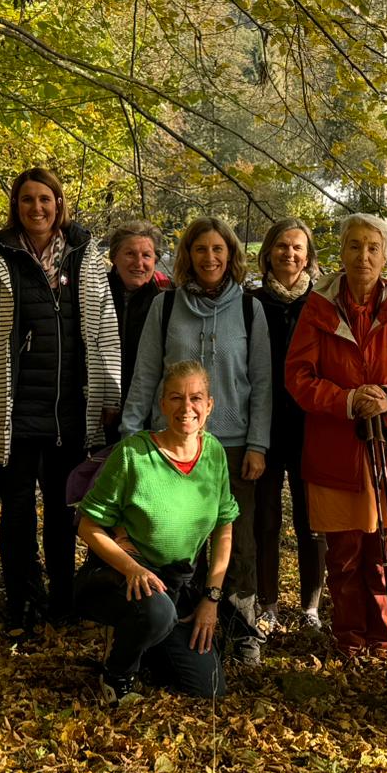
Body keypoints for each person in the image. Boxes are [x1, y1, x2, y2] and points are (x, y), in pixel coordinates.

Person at [0, 167, 121, 631]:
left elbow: (105, 330)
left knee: (62, 511)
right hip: (13, 410)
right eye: (27, 199)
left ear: (58, 204)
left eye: (45, 199)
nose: (37, 208)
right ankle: (22, 602)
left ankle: (62, 600)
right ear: (16, 206)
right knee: (16, 513)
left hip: (71, 412)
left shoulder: (84, 255)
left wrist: (110, 394)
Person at [286, 213, 387, 657]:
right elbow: (298, 377)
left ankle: (385, 638)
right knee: (344, 556)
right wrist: (348, 400)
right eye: (354, 246)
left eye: (373, 248)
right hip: (335, 453)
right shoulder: (318, 309)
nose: (363, 256)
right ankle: (349, 639)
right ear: (341, 252)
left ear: (385, 255)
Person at [121, 217, 271, 662]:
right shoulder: (166, 306)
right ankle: (175, 626)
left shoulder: (250, 309)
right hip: (172, 441)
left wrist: (258, 444)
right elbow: (147, 372)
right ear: (188, 255)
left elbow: (261, 383)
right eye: (201, 249)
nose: (210, 258)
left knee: (237, 542)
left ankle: (240, 630)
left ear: (230, 255)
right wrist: (131, 434)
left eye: (218, 249)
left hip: (233, 444)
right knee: (177, 537)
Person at [76, 361, 236, 703]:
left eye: (196, 398)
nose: (186, 407)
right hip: (120, 578)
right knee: (156, 613)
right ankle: (116, 678)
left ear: (209, 405)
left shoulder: (214, 454)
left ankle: (145, 644)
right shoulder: (133, 454)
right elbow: (88, 525)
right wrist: (131, 568)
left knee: (207, 687)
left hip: (178, 585)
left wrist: (211, 599)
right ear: (162, 404)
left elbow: (224, 526)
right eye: (176, 397)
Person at [250, 217, 324, 629]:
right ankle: (268, 603)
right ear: (268, 253)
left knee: (312, 521)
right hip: (263, 423)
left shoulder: (322, 304)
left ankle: (311, 607)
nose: (289, 254)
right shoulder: (251, 302)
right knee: (265, 519)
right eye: (281, 246)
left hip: (310, 426)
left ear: (308, 256)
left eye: (297, 247)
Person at [105, 219, 170, 398]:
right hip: (100, 400)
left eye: (146, 256)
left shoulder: (167, 299)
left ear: (155, 260)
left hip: (150, 401)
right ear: (114, 257)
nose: (138, 263)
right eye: (130, 254)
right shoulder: (95, 293)